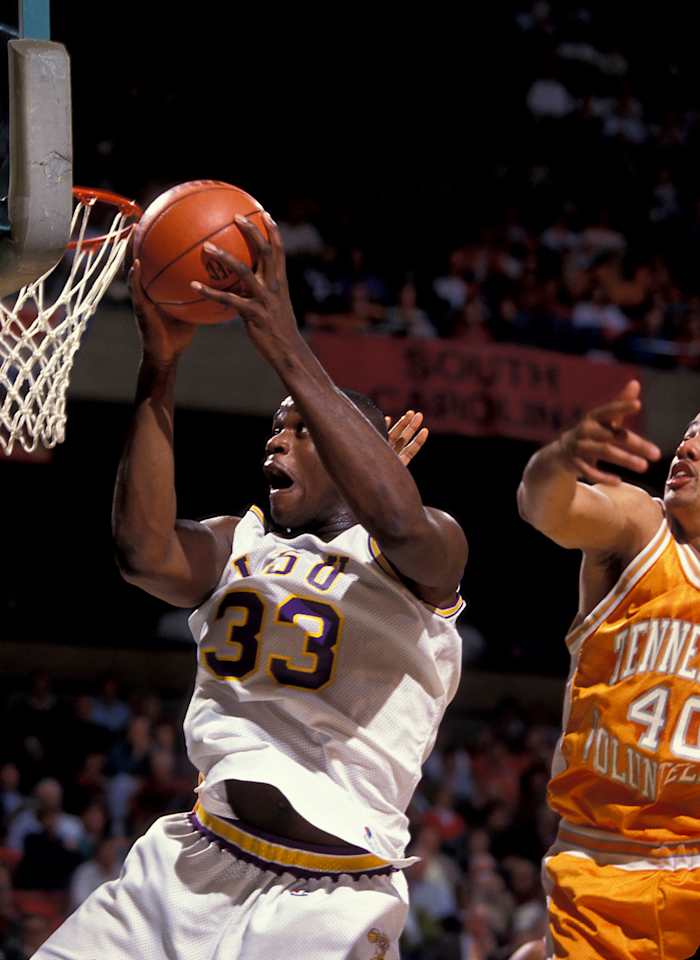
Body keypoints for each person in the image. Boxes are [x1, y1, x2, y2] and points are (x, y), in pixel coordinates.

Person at [35, 213, 467, 959]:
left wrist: (285, 342)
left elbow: (397, 522)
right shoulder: (243, 540)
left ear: (350, 447)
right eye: (274, 426)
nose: (276, 437)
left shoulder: (423, 546)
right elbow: (143, 554)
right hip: (191, 862)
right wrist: (160, 369)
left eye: (301, 428)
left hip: (333, 893)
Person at [517, 379, 700, 959]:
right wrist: (559, 458)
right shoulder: (640, 523)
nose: (687, 449)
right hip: (606, 859)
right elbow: (547, 507)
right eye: (689, 436)